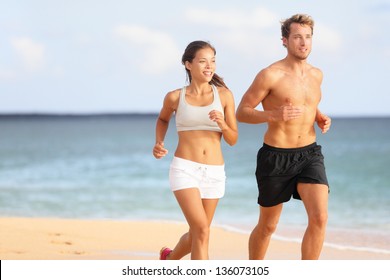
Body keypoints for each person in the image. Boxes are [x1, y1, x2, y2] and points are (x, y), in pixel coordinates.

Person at [236, 14, 331, 260]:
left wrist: (318, 116)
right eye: (297, 37)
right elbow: (242, 113)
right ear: (285, 41)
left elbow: (307, 103)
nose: (304, 42)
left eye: (308, 37)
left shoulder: (317, 74)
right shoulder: (270, 74)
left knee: (320, 218)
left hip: (309, 153)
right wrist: (274, 115)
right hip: (276, 156)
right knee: (268, 226)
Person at [153, 40, 238, 260]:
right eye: (203, 61)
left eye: (213, 61)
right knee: (202, 231)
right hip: (185, 169)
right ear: (188, 64)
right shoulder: (175, 97)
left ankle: (169, 260)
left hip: (214, 172)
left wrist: (223, 124)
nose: (209, 66)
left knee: (196, 234)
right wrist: (159, 143)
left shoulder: (225, 96)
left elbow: (233, 139)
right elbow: (162, 119)